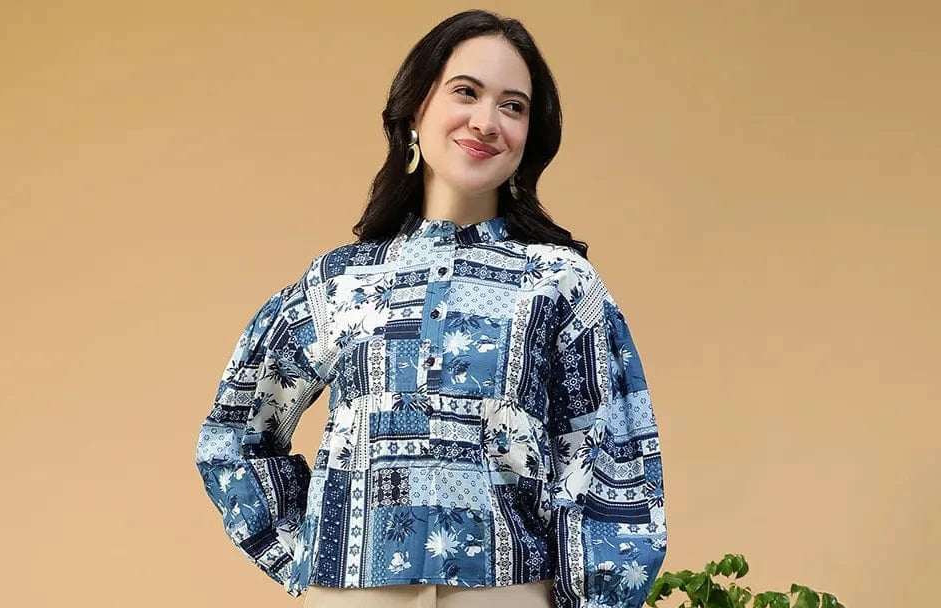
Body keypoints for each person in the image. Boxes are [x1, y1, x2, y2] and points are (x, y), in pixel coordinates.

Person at [195, 9, 667, 608]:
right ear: (416, 109)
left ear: (530, 137)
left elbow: (615, 460)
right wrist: (306, 554)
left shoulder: (560, 283)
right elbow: (234, 437)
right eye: (465, 92)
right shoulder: (339, 283)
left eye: (513, 106)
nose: (486, 121)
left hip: (507, 595)